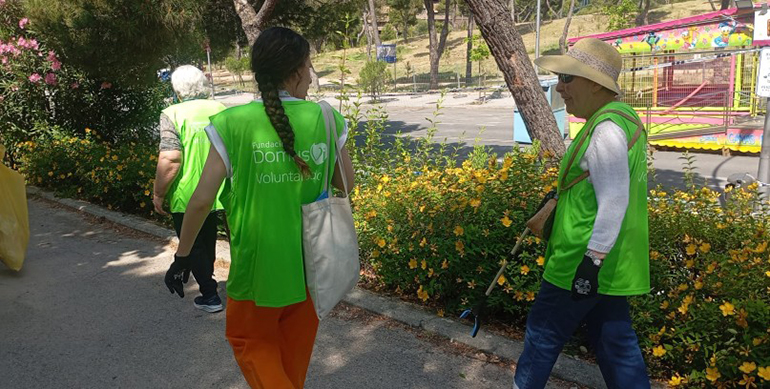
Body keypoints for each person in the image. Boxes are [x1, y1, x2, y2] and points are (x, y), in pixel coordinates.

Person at [173, 27, 354, 388]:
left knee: (251, 343)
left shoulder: (231, 123)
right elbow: (346, 182)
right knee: (292, 357)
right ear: (299, 69)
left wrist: (183, 255)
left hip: (257, 267)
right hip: (312, 264)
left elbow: (203, 199)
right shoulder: (326, 118)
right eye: (309, 65)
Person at [513, 38, 650, 389]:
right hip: (612, 265)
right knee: (615, 344)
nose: (560, 87)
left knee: (541, 338)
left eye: (568, 79)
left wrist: (591, 262)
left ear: (595, 83)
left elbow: (614, 200)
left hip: (579, 262)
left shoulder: (605, 130)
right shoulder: (623, 119)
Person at [152, 65, 226, 313]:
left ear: (177, 89)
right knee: (208, 239)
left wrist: (159, 193)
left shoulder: (172, 113)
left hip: (188, 192)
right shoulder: (220, 109)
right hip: (220, 189)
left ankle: (209, 294)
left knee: (192, 242)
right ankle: (209, 283)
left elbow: (171, 159)